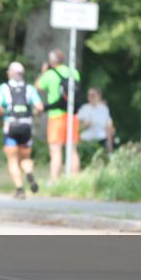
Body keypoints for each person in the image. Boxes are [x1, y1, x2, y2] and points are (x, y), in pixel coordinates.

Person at [0, 62, 44, 199]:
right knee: (25, 157)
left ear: (10, 73)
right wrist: (33, 114)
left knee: (13, 159)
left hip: (11, 126)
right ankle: (29, 172)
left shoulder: (4, 88)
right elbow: (39, 107)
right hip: (26, 126)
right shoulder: (29, 88)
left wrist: (5, 113)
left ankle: (20, 188)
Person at [36, 49, 81, 181]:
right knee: (72, 149)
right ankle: (74, 180)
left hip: (56, 116)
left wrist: (43, 72)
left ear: (51, 61)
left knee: (55, 150)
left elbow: (37, 87)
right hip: (72, 115)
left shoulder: (49, 74)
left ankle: (54, 180)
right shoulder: (74, 72)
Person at [77, 87, 115, 153]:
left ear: (99, 96)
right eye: (89, 95)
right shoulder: (83, 109)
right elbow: (76, 127)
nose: (90, 97)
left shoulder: (104, 109)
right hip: (86, 141)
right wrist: (85, 125)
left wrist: (110, 145)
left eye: (93, 95)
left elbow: (109, 127)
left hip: (101, 140)